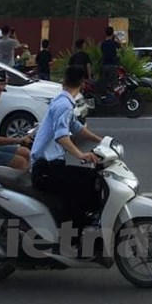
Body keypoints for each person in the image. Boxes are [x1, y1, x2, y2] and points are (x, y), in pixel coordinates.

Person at [30, 65, 103, 233]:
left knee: (90, 179)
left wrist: (100, 140)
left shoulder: (63, 101)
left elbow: (76, 126)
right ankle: (73, 234)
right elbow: (61, 137)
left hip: (49, 165)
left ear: (63, 81)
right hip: (45, 169)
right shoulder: (64, 104)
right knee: (88, 184)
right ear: (83, 84)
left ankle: (77, 227)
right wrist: (81, 155)